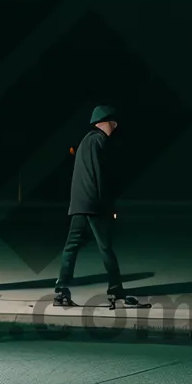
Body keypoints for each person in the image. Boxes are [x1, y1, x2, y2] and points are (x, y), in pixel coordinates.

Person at [54, 106, 144, 308]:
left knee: (71, 247)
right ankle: (115, 289)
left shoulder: (85, 141)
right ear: (103, 122)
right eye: (113, 124)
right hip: (94, 203)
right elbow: (100, 177)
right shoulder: (99, 141)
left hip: (79, 203)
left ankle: (61, 290)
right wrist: (108, 206)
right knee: (105, 247)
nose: (115, 128)